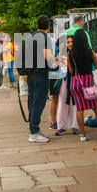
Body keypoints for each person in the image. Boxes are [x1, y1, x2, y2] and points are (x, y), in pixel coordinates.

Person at [68, 29, 97, 141]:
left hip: (75, 82)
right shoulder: (90, 52)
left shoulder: (70, 54)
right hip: (87, 82)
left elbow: (70, 70)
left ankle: (82, 135)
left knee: (79, 108)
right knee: (96, 108)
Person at [27, 15, 57, 143]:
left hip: (31, 74)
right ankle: (34, 133)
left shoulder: (31, 37)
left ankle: (34, 130)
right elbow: (47, 56)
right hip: (41, 75)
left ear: (37, 25)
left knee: (33, 102)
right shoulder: (45, 38)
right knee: (38, 103)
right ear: (49, 26)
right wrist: (57, 61)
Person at [55, 35, 79, 135]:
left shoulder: (77, 54)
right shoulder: (63, 55)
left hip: (76, 81)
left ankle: (75, 126)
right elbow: (56, 61)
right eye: (68, 42)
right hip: (65, 81)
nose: (70, 44)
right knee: (63, 103)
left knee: (75, 104)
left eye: (72, 42)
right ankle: (60, 127)